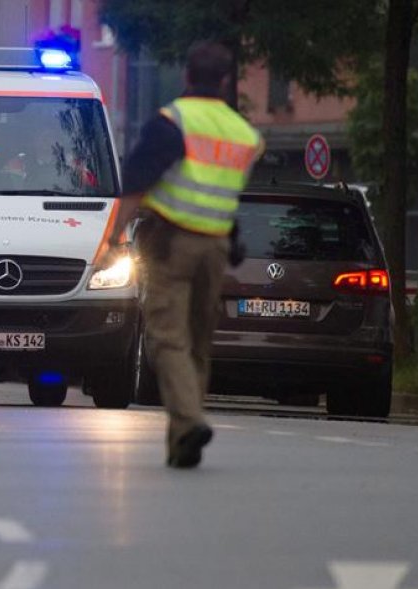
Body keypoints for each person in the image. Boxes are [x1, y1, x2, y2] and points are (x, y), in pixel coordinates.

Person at [98, 41, 264, 469]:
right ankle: (180, 444)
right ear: (226, 81)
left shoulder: (172, 122)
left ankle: (189, 422)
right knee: (197, 342)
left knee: (167, 336)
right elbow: (228, 194)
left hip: (173, 244)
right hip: (217, 247)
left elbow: (134, 185)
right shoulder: (244, 135)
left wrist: (112, 239)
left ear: (187, 75)